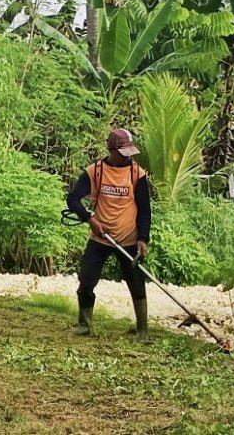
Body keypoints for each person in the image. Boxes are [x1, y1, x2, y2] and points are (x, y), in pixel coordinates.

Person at [66, 128, 152, 342]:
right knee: (86, 280)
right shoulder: (95, 171)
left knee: (137, 284)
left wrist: (143, 238)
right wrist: (90, 219)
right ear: (111, 150)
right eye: (123, 152)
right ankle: (84, 325)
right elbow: (73, 199)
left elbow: (144, 209)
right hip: (100, 238)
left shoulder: (137, 174)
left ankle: (142, 331)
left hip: (129, 239)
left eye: (129, 152)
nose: (127, 157)